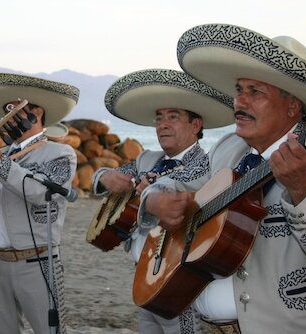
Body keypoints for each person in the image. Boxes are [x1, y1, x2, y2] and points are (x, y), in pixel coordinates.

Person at [140, 23, 306, 334]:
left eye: (255, 92)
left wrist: (305, 192)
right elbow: (175, 181)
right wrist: (155, 200)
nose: (240, 102)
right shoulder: (226, 151)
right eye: (239, 90)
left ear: (293, 106)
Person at [93, 68, 234, 334]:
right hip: (142, 275)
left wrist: (149, 190)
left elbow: (182, 185)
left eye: (173, 117)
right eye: (159, 118)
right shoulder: (145, 159)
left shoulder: (206, 163)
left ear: (196, 125)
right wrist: (104, 177)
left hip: (177, 278)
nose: (162, 124)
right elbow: (108, 177)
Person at [0, 72, 79, 334]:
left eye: (13, 110)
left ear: (36, 112)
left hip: (37, 262)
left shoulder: (60, 153)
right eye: (5, 112)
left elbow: (41, 192)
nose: (6, 119)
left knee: (49, 330)